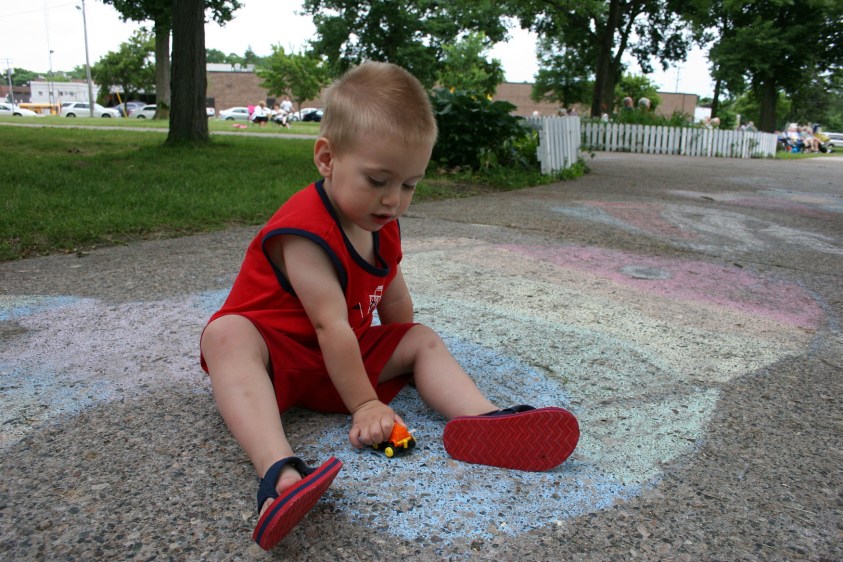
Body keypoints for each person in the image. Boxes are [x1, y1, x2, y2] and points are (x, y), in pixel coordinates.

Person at [199, 61, 580, 551]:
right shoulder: (306, 232)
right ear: (326, 158)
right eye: (378, 180)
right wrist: (365, 404)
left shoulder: (381, 224)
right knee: (226, 334)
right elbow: (328, 323)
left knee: (420, 336)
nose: (393, 200)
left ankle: (486, 421)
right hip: (277, 364)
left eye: (408, 185)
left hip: (342, 360)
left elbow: (395, 299)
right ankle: (280, 474)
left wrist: (401, 356)